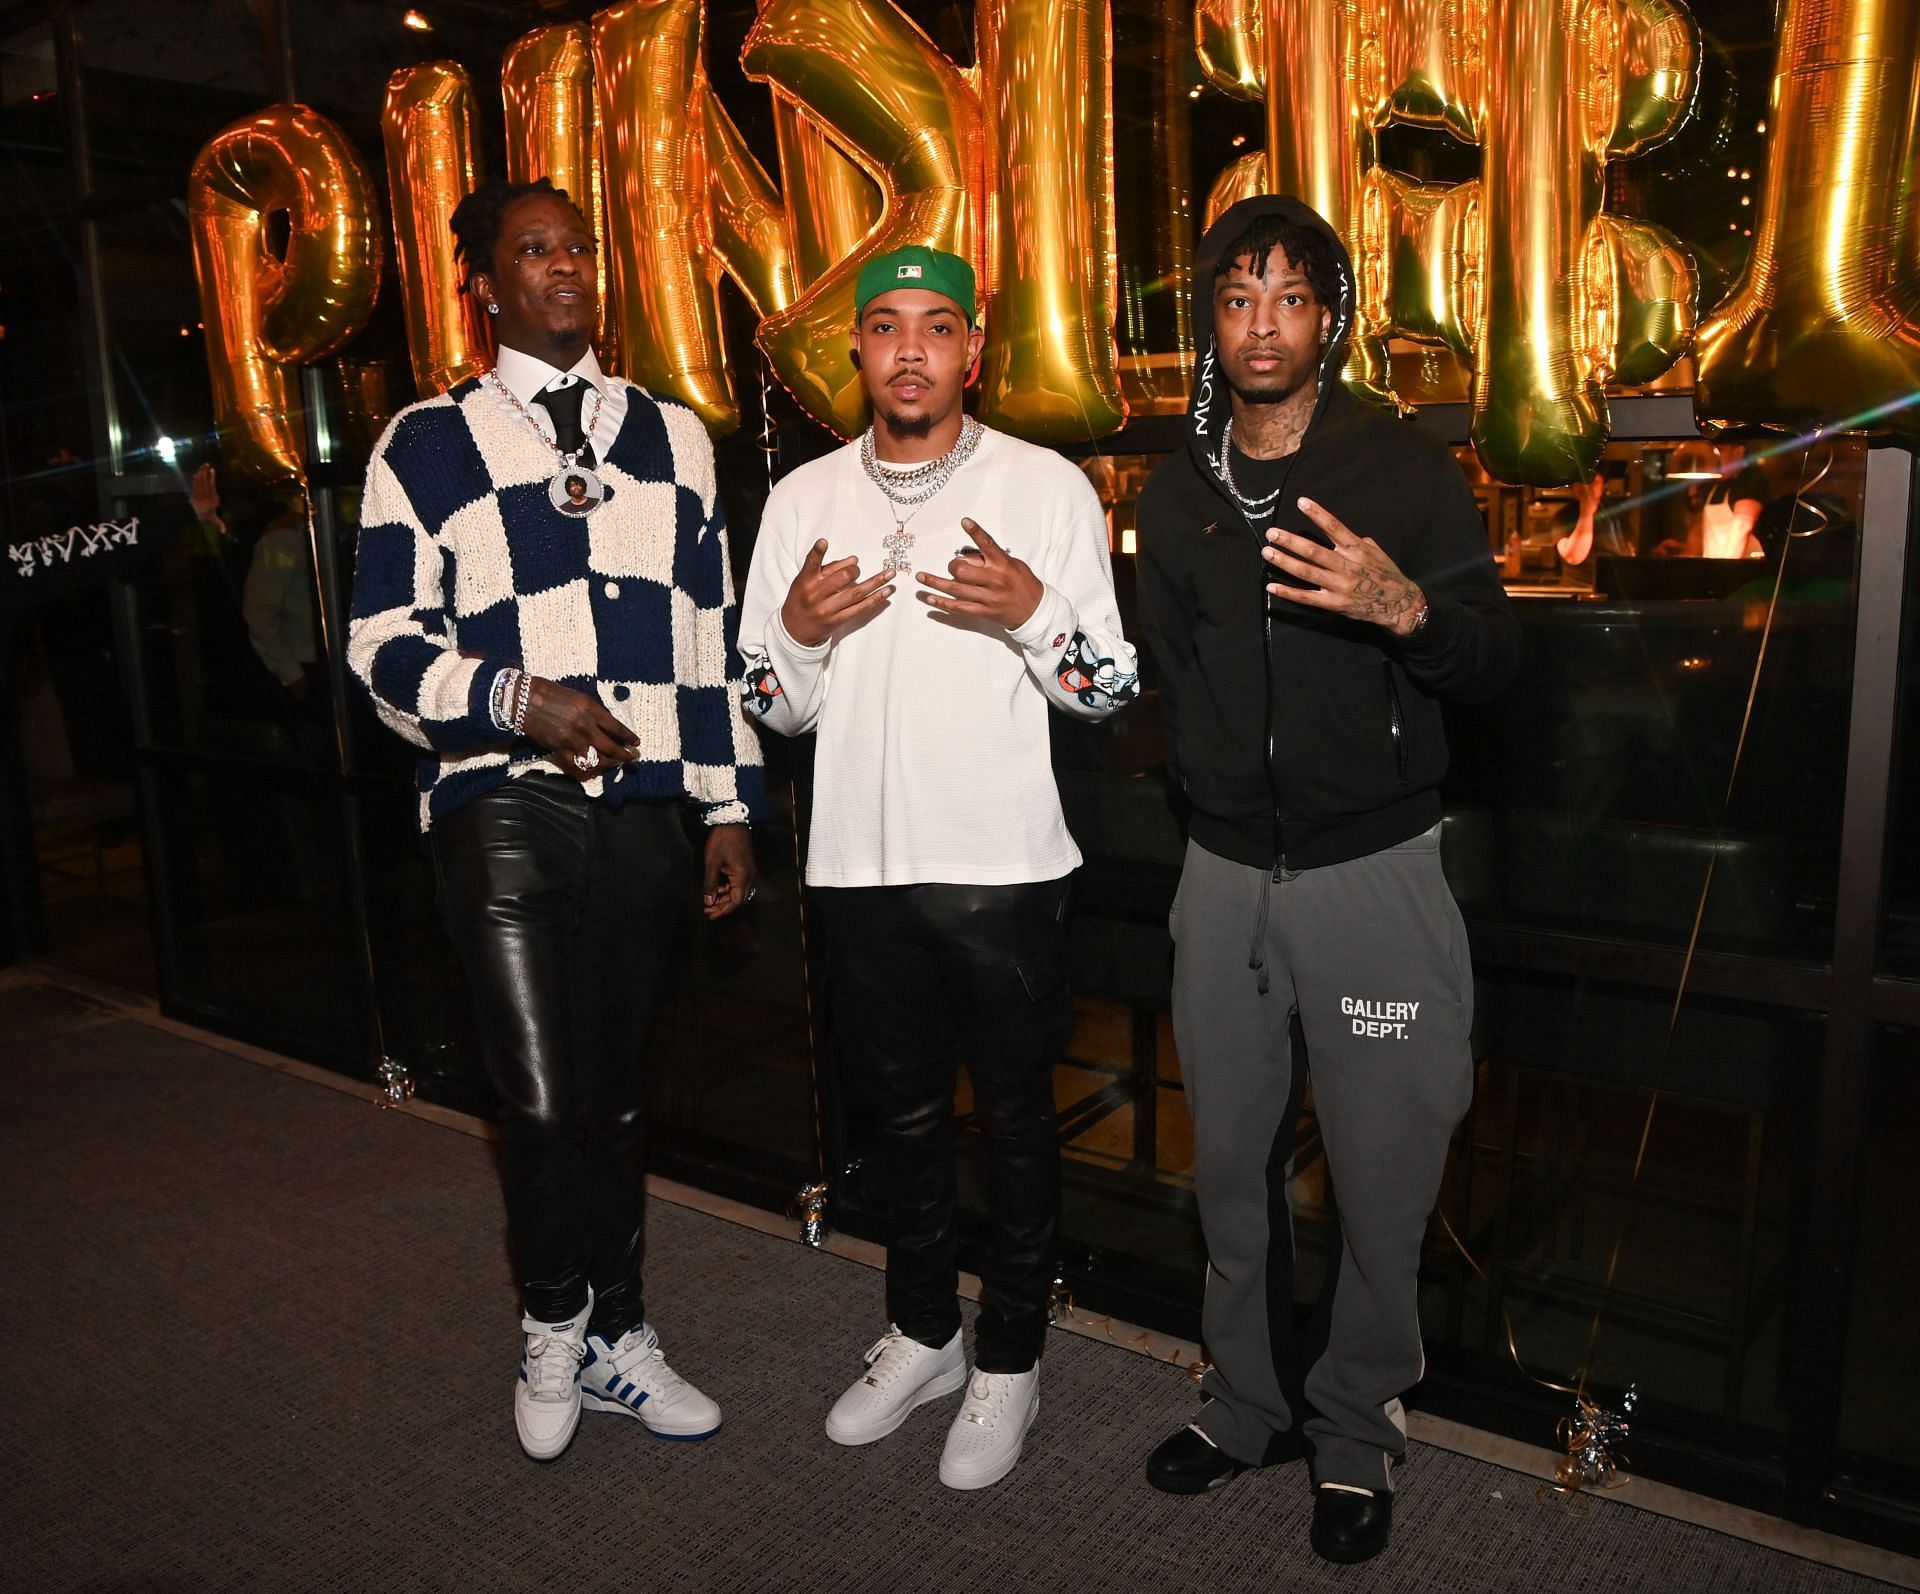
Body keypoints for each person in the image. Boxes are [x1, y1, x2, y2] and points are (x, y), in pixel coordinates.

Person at [346, 176, 766, 1463]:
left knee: (621, 1095)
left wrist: (727, 800)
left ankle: (621, 1338)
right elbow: (376, 647)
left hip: (646, 805)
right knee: (536, 1095)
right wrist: (514, 698)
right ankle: (552, 1320)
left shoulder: (674, 435)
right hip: (499, 802)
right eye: (535, 249)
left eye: (580, 245)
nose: (567, 265)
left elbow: (709, 636)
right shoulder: (424, 442)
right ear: (483, 281)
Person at [1135, 196, 1521, 1564]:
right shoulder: (1176, 495)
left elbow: (1495, 659)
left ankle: (1355, 1425)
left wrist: (1401, 606)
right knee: (1229, 1168)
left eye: (1291, 297)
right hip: (1225, 886)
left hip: (1374, 886)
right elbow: (1169, 677)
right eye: (1237, 298)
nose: (1262, 324)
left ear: (1330, 317)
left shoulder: (1405, 473)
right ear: (1211, 317)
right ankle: (1245, 1400)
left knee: (1380, 1171)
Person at [736, 244, 1137, 1491]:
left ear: (974, 350)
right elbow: (762, 698)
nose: (910, 349)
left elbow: (1108, 688)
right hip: (857, 865)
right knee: (901, 1123)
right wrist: (798, 637)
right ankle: (923, 1330)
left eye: (938, 326)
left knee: (1016, 1121)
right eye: (886, 327)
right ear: (854, 350)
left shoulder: (1047, 485)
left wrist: (1032, 611)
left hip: (1006, 868)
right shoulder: (802, 497)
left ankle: (1010, 1350)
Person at [1657, 443, 1768, 559]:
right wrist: (1687, 565)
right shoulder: (1716, 483)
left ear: (1738, 453)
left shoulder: (1749, 479)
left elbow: (1743, 525)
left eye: (1719, 450)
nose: (1711, 455)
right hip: (1717, 568)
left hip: (1745, 569)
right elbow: (1698, 533)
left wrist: (1725, 569)